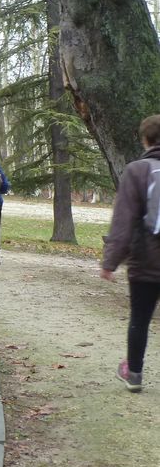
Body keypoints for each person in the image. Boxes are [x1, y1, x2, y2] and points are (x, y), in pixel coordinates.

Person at [101, 114, 160, 392]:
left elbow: (123, 221)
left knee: (140, 318)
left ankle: (134, 373)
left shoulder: (136, 171)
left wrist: (110, 261)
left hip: (146, 261)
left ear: (145, 139)